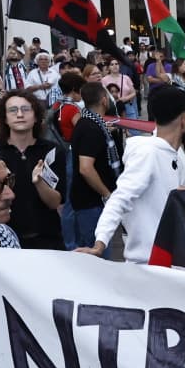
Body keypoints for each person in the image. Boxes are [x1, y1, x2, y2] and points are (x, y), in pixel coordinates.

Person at [80, 86, 185, 263]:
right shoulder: (147, 153)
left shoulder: (175, 153)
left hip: (175, 261)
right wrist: (100, 243)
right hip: (148, 264)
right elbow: (119, 198)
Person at [0, 91, 64, 250]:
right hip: (6, 239)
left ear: (36, 116)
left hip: (47, 238)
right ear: (5, 118)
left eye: (26, 109)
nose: (20, 114)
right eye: (13, 110)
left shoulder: (51, 151)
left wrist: (39, 182)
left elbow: (54, 203)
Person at [68, 82, 121, 254]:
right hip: (91, 204)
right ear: (104, 100)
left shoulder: (91, 123)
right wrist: (107, 194)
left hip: (91, 202)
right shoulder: (91, 128)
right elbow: (86, 168)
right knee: (98, 256)